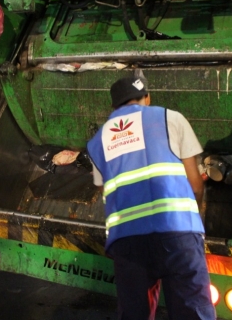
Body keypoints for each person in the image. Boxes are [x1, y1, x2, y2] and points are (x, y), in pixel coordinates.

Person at [86, 76, 215, 320]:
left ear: (114, 107)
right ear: (147, 98)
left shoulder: (98, 141)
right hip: (177, 234)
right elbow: (196, 184)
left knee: (135, 314)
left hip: (128, 241)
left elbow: (106, 192)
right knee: (192, 313)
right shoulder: (171, 118)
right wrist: (193, 218)